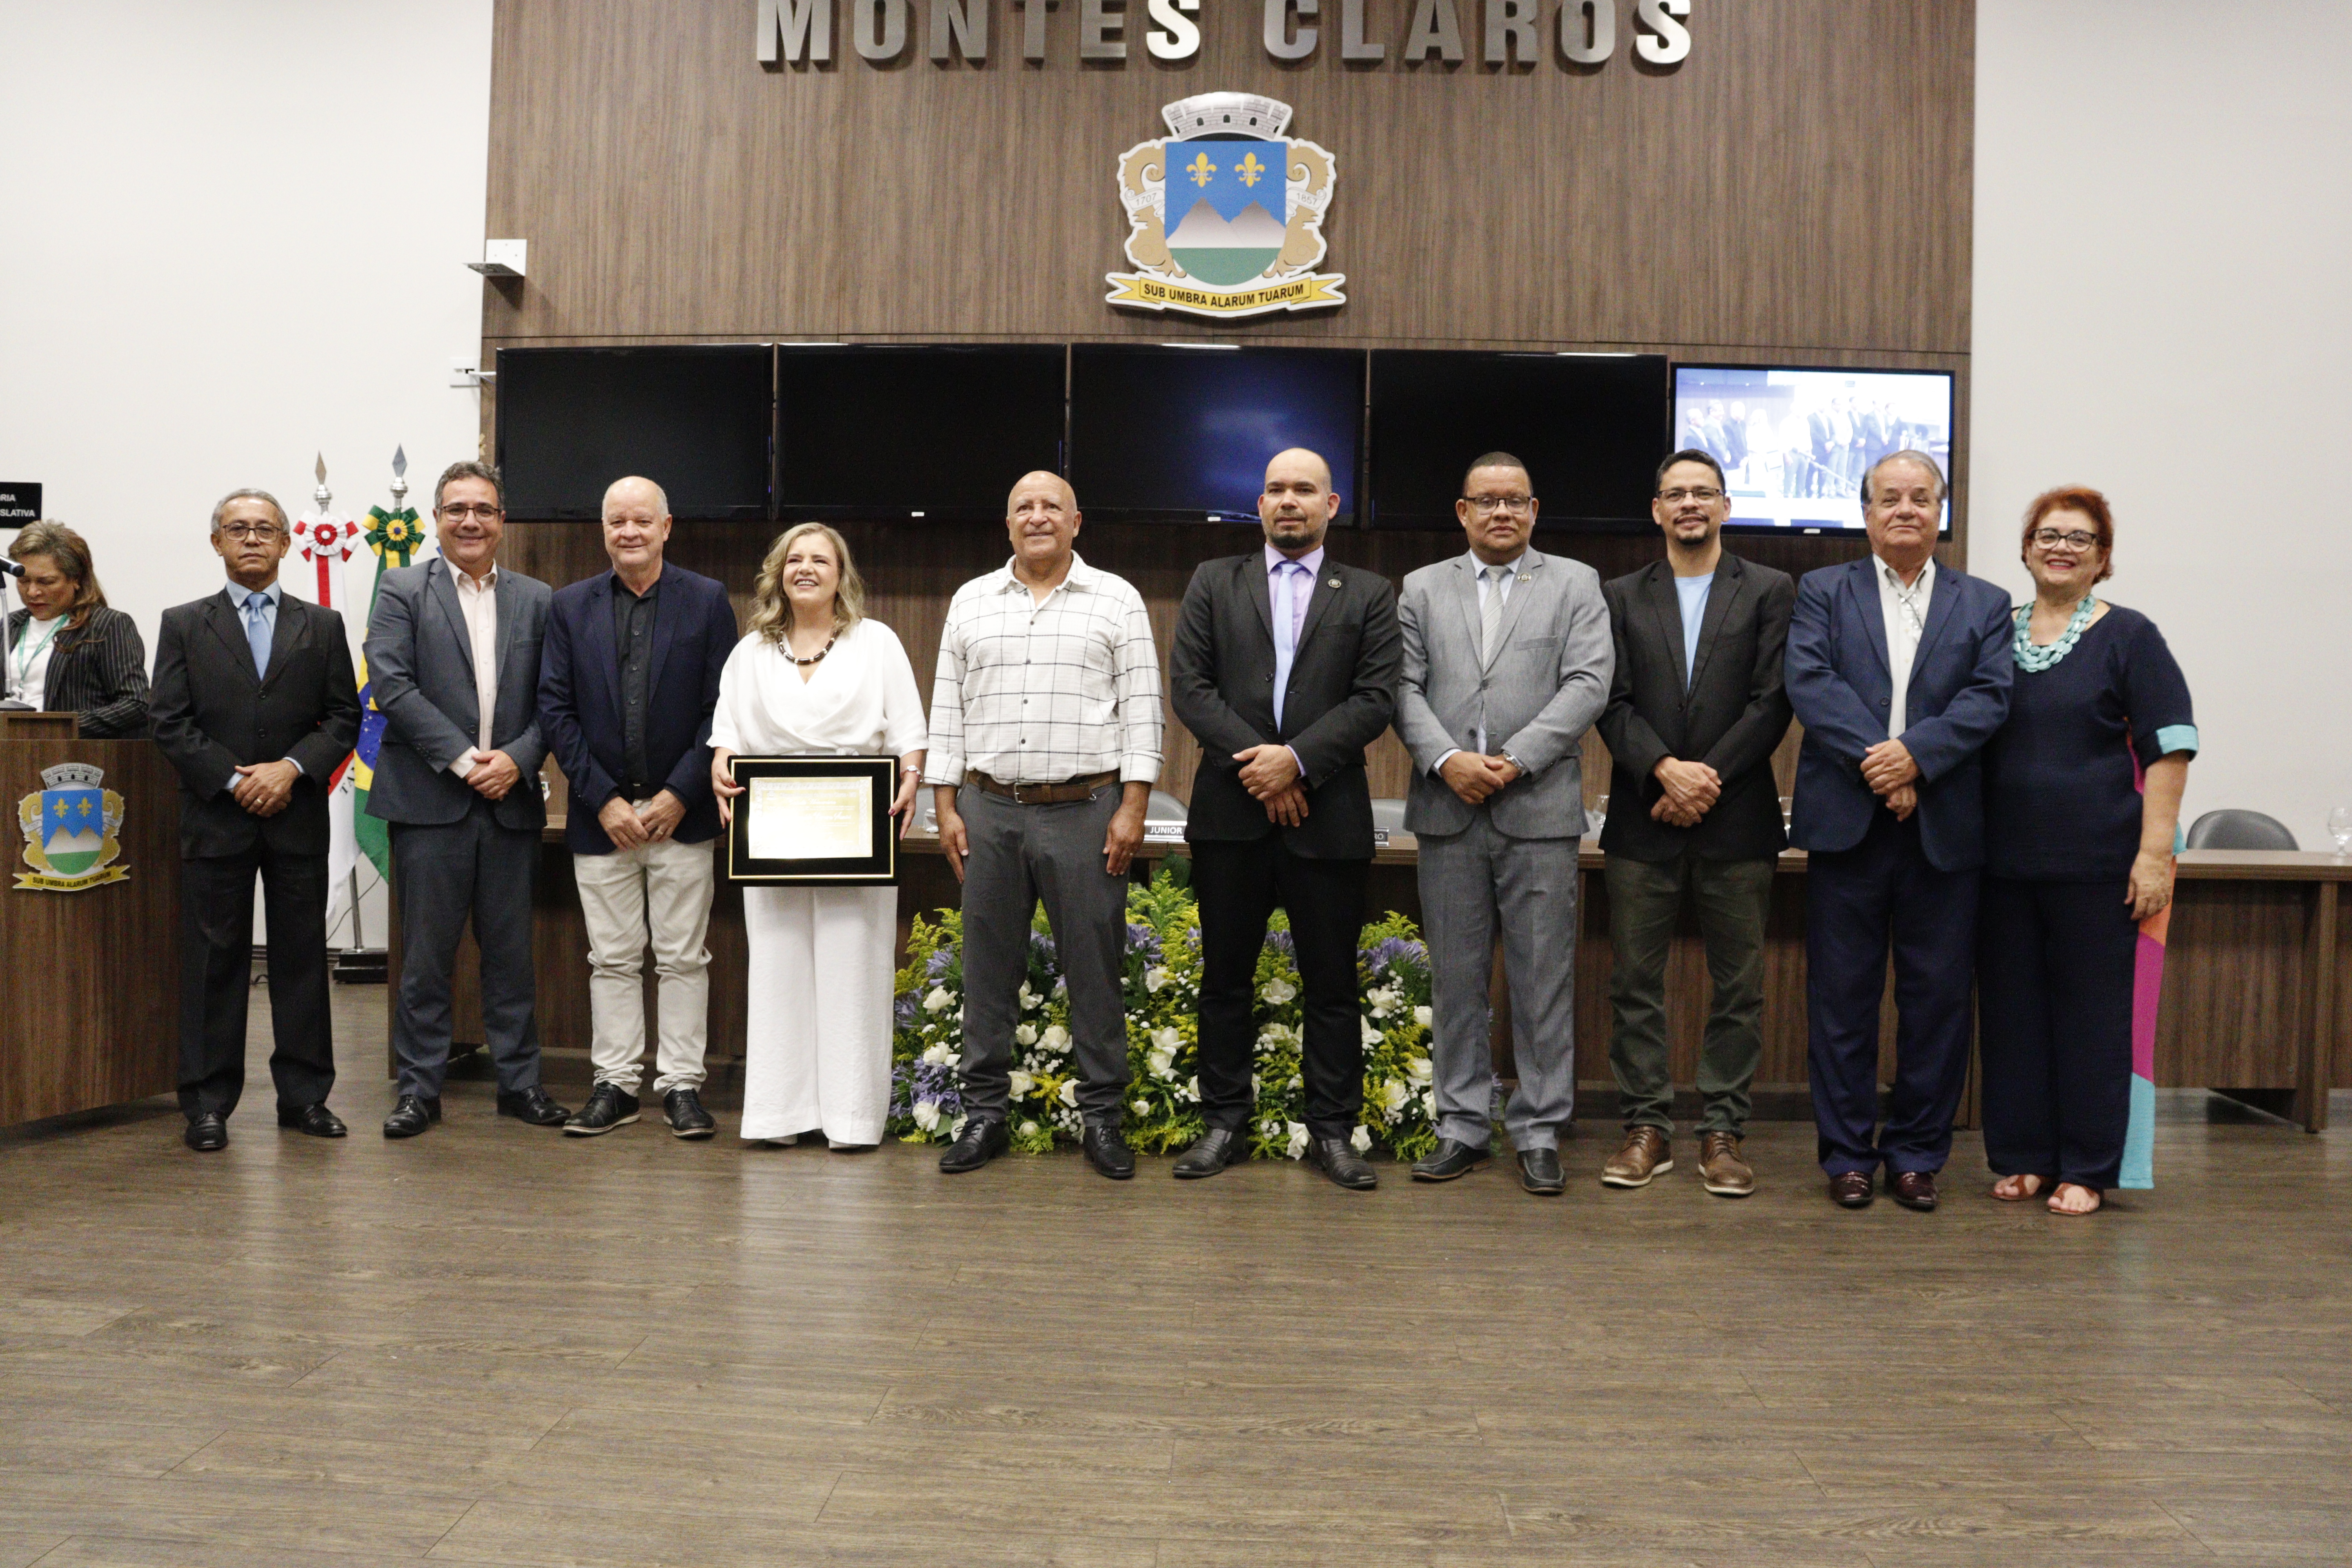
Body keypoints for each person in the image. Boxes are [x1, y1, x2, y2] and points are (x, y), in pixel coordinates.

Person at [1786, 450, 2014, 1211]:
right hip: (1849, 825)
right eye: (1891, 498)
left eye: (1922, 497)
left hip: (1943, 829)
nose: (1906, 509)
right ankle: (1848, 1155)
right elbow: (1810, 682)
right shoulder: (1822, 591)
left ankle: (1917, 1153)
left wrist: (1918, 758)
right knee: (1841, 1001)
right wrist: (1885, 766)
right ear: (1867, 511)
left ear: (1941, 510)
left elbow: (1989, 697)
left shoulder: (1984, 602)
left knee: (1937, 1002)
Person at [1168, 448, 1401, 1190]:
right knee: (1224, 979)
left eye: (1305, 489)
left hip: (1327, 816)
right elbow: (1192, 691)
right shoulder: (1215, 580)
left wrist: (1296, 763)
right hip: (1230, 817)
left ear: (1333, 505)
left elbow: (1376, 698)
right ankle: (1223, 1123)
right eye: (1275, 490)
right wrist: (1265, 767)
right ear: (1259, 504)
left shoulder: (1367, 593)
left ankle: (1333, 1133)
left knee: (1331, 984)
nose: (1288, 501)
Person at [925, 472, 1162, 1180]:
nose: (1037, 517)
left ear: (1076, 522)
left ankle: (1103, 1121)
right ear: (1008, 526)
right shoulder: (971, 601)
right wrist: (944, 806)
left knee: (1094, 970)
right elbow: (946, 713)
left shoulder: (1116, 600)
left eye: (1050, 507)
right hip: (988, 809)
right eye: (1023, 508)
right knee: (987, 968)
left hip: (1087, 811)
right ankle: (984, 1116)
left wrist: (1133, 806)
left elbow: (1144, 712)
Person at [1394, 452, 1612, 1195]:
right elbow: (1402, 686)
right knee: (1456, 979)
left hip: (1539, 809)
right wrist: (1448, 760)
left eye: (1514, 501)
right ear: (1462, 512)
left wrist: (1514, 760)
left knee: (1542, 979)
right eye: (1486, 501)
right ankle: (1460, 1123)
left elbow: (1589, 683)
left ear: (1534, 510)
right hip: (1448, 808)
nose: (1501, 514)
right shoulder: (1422, 588)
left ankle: (1540, 1128)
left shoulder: (1576, 584)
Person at [1980, 487, 2194, 1216]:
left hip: (2100, 870)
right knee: (2012, 1019)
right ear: (2025, 548)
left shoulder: (2131, 636)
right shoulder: (1991, 629)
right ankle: (2025, 1159)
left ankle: (2089, 1166)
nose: (2061, 547)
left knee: (2093, 1021)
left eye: (2080, 538)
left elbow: (2169, 747)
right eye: (2047, 534)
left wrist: (2153, 855)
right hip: (1998, 868)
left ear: (2103, 557)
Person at [1595, 450, 1795, 1196]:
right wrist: (1664, 771)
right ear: (1656, 509)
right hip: (1643, 815)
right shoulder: (1617, 594)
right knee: (1634, 982)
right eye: (1675, 493)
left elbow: (1774, 700)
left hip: (1736, 817)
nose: (1689, 505)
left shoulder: (1772, 589)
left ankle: (1722, 1130)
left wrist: (1705, 776)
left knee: (1738, 985)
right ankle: (1647, 1126)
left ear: (1725, 505)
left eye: (1702, 493)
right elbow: (1608, 700)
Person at [148, 490, 360, 1151]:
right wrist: (237, 777)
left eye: (264, 529)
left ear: (287, 543)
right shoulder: (183, 623)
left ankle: (305, 1098)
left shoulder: (321, 625)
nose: (251, 539)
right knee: (215, 962)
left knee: (302, 957)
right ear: (216, 542)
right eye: (237, 529)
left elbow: (345, 718)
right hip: (218, 816)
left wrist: (290, 769)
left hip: (295, 813)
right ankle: (207, 1105)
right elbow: (168, 720)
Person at [364, 460, 569, 1138]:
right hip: (429, 802)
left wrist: (516, 758)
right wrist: (462, 759)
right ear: (436, 518)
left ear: (502, 522)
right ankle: (420, 1090)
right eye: (457, 509)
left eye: (484, 509)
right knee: (425, 957)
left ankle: (520, 1084)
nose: (471, 521)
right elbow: (391, 684)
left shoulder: (539, 598)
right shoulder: (399, 589)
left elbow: (557, 699)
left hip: (510, 801)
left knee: (511, 956)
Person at [710, 523, 925, 1150]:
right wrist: (721, 765)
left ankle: (852, 1118)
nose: (806, 569)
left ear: (841, 574)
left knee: (851, 961)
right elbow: (727, 734)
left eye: (820, 560)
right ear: (778, 573)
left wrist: (911, 777)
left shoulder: (877, 642)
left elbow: (909, 731)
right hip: (771, 827)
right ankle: (780, 1114)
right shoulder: (750, 650)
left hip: (859, 824)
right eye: (794, 560)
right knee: (778, 964)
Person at [537, 476, 737, 1141]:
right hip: (604, 821)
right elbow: (556, 712)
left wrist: (680, 794)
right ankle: (616, 1085)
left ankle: (681, 1086)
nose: (629, 532)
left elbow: (721, 709)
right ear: (605, 530)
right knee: (613, 960)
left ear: (666, 527)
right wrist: (605, 801)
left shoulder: (707, 602)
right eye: (617, 521)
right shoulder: (568, 607)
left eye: (641, 521)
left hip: (684, 816)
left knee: (683, 957)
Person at [5, 522, 150, 736]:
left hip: (75, 756)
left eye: (46, 582)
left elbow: (137, 704)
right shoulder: (9, 626)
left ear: (76, 580)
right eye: (24, 581)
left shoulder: (106, 626)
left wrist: (61, 728)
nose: (33, 592)